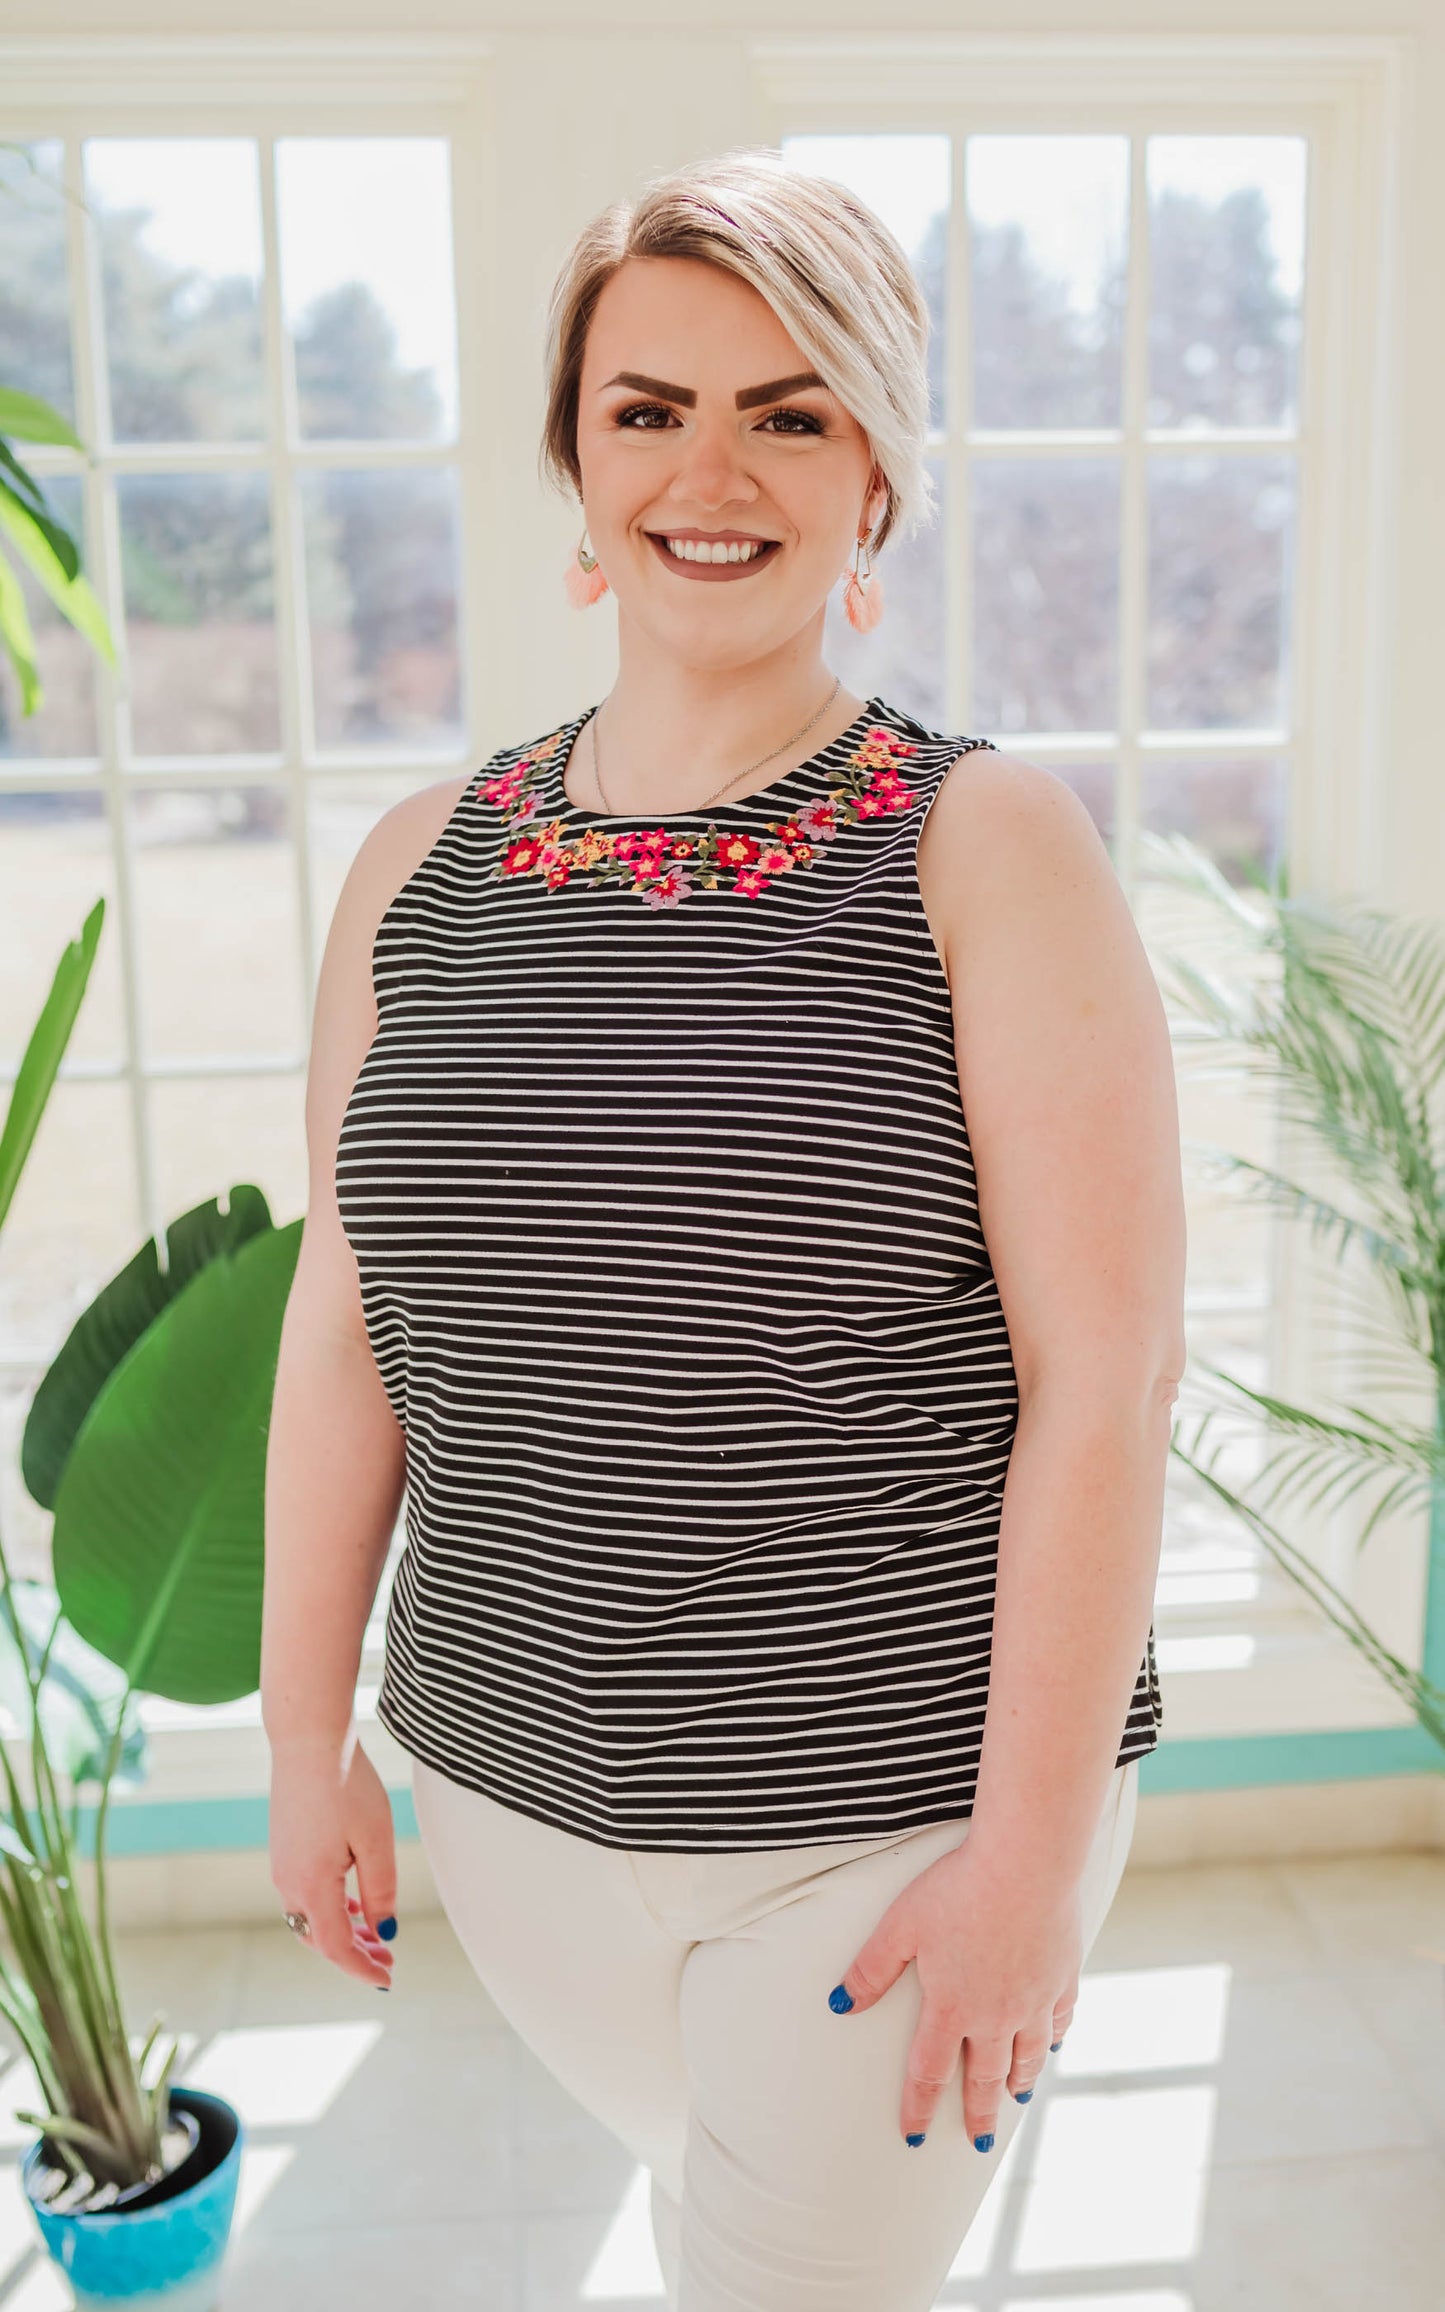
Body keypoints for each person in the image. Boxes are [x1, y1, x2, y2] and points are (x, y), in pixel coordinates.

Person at [261, 145, 1186, 2310]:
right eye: (648, 406)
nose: (715, 467)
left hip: (886, 1834)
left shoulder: (985, 844)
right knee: (722, 2227)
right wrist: (305, 1737)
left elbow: (1109, 1378)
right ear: (576, 471)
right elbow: (345, 1315)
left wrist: (1027, 1863)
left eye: (794, 408)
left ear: (878, 473)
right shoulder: (421, 864)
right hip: (513, 1804)